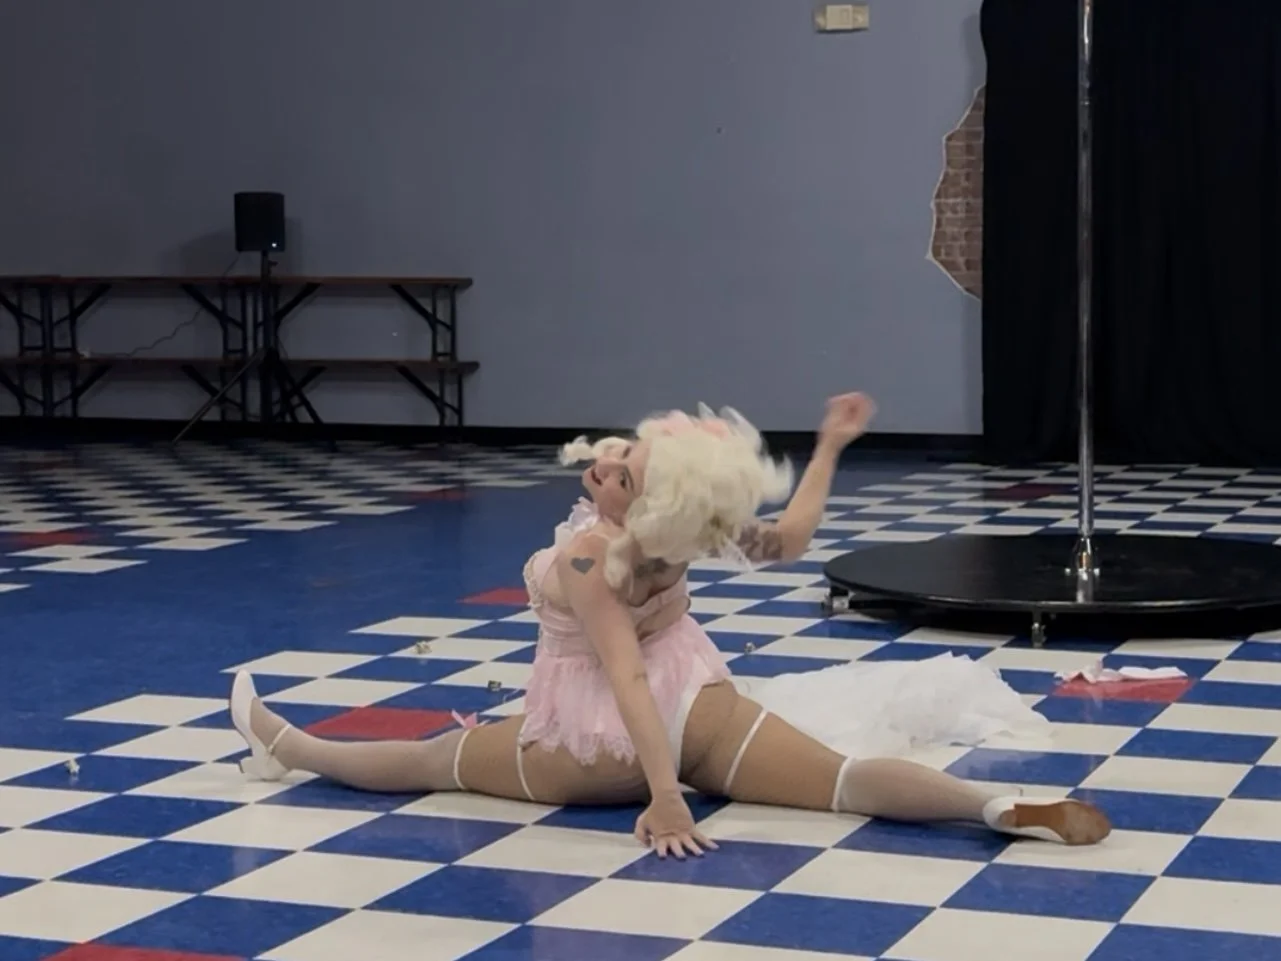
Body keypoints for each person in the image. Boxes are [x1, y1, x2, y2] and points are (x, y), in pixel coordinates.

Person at [230, 393, 1111, 858]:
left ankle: (290, 745)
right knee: (841, 778)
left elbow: (622, 678)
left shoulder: (588, 558)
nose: (607, 462)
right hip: (704, 706)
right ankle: (980, 805)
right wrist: (830, 448)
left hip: (598, 748)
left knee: (434, 759)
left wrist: (662, 795)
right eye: (620, 452)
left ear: (645, 506)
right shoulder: (682, 535)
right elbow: (791, 538)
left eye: (624, 471)